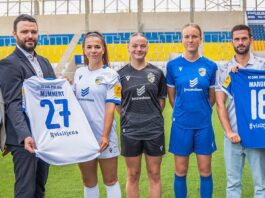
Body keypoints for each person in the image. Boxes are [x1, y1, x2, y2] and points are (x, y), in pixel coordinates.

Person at [0, 14, 55, 198]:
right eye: (25, 32)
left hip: (44, 135)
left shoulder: (44, 62)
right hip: (23, 138)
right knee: (26, 190)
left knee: (40, 187)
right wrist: (25, 135)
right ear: (14, 35)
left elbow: (53, 95)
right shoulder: (9, 64)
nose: (30, 35)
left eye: (33, 31)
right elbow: (12, 103)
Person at [166, 23, 217, 198]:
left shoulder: (210, 66)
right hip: (181, 125)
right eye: (187, 36)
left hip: (203, 125)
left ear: (200, 39)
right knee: (180, 171)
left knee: (205, 170)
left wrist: (201, 111)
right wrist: (184, 111)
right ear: (182, 39)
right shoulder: (172, 65)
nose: (190, 40)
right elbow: (172, 97)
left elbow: (212, 97)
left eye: (194, 36)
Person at [215, 24, 265, 198]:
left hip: (256, 134)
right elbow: (220, 103)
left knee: (261, 185)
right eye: (237, 39)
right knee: (233, 184)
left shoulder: (262, 66)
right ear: (232, 42)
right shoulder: (223, 69)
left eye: (244, 38)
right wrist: (228, 132)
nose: (241, 42)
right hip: (233, 135)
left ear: (251, 39)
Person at [117, 32, 167, 198]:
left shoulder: (157, 73)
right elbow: (118, 103)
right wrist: (129, 118)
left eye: (142, 46)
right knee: (133, 175)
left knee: (154, 174)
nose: (139, 49)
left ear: (147, 47)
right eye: (135, 45)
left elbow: (161, 101)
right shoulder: (120, 75)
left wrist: (150, 116)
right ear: (128, 47)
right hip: (130, 131)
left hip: (154, 130)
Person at [73, 31, 121, 198]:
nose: (93, 50)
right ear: (84, 50)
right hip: (84, 136)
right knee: (88, 181)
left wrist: (105, 135)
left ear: (103, 49)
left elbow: (111, 106)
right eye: (89, 47)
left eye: (97, 47)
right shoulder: (79, 73)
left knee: (110, 179)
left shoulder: (112, 75)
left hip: (104, 136)